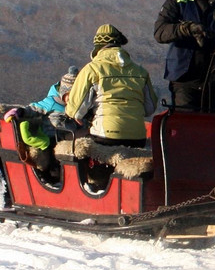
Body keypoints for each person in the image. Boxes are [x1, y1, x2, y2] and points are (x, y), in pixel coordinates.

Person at [65, 24, 157, 188]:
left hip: (106, 136)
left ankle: (96, 185)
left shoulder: (92, 69)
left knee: (87, 149)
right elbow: (150, 108)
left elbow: (75, 110)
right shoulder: (140, 71)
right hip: (137, 136)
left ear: (98, 47)